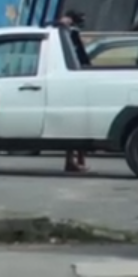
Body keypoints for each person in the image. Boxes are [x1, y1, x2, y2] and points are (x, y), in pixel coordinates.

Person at [55, 12, 93, 173]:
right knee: (76, 123)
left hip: (70, 81)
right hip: (74, 82)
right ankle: (74, 160)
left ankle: (76, 160)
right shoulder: (67, 34)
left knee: (76, 123)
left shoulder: (63, 34)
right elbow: (84, 60)